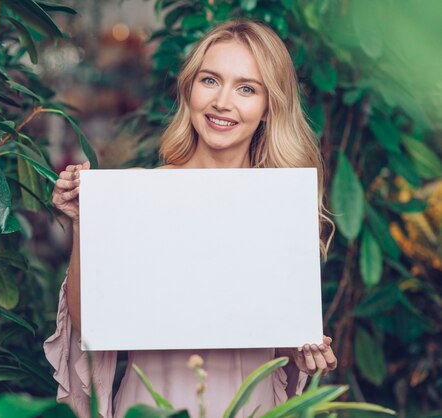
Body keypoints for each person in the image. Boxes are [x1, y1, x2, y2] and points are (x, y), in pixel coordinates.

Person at [45, 19, 338, 418]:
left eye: (247, 88)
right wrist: (85, 222)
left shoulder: (279, 204)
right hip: (152, 406)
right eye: (210, 80)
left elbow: (278, 334)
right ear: (190, 89)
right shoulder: (137, 194)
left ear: (270, 107)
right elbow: (91, 323)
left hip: (251, 407)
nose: (223, 102)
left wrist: (305, 351)